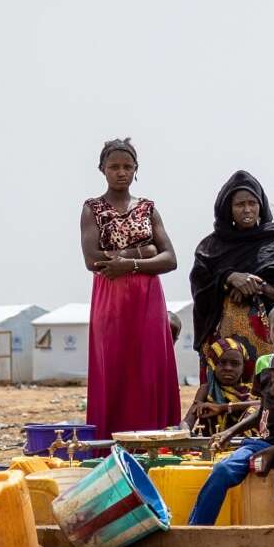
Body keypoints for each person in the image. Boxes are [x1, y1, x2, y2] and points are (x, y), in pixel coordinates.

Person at [187, 303, 274, 524]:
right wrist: (230, 433)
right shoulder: (264, 369)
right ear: (269, 332)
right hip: (263, 442)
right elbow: (263, 411)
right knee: (221, 471)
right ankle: (195, 531)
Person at [80, 138, 181, 439]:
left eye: (127, 166)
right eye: (114, 167)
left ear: (136, 169)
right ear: (102, 169)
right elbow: (93, 260)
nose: (121, 172)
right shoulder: (92, 209)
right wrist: (145, 252)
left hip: (148, 299)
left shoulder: (148, 208)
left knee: (147, 369)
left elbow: (170, 258)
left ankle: (151, 441)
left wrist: (129, 262)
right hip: (110, 301)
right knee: (114, 369)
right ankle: (110, 444)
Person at [189, 171, 274, 376]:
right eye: (239, 205)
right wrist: (228, 278)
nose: (247, 209)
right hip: (227, 349)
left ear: (261, 205)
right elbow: (200, 288)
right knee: (229, 402)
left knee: (272, 396)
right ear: (228, 209)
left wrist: (258, 287)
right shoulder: (211, 247)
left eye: (252, 203)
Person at [184, 338, 256, 436]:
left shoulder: (251, 390)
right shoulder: (206, 390)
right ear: (213, 365)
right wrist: (184, 431)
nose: (228, 368)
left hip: (244, 445)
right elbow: (188, 421)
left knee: (253, 410)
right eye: (222, 362)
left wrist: (223, 408)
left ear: (243, 367)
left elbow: (264, 405)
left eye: (235, 364)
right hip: (212, 445)